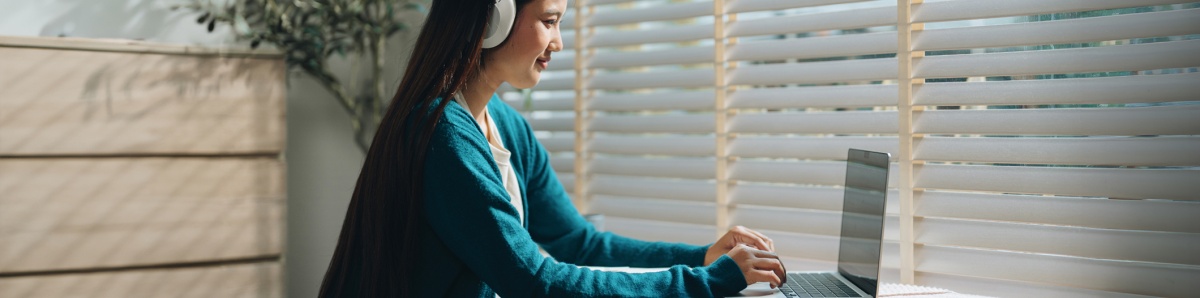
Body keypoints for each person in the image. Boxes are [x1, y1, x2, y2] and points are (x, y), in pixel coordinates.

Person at [318, 0, 787, 296]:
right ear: (492, 18)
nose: (558, 43)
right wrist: (711, 283)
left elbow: (577, 243)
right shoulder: (442, 134)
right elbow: (531, 280)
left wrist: (701, 256)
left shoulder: (504, 126)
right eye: (549, 21)